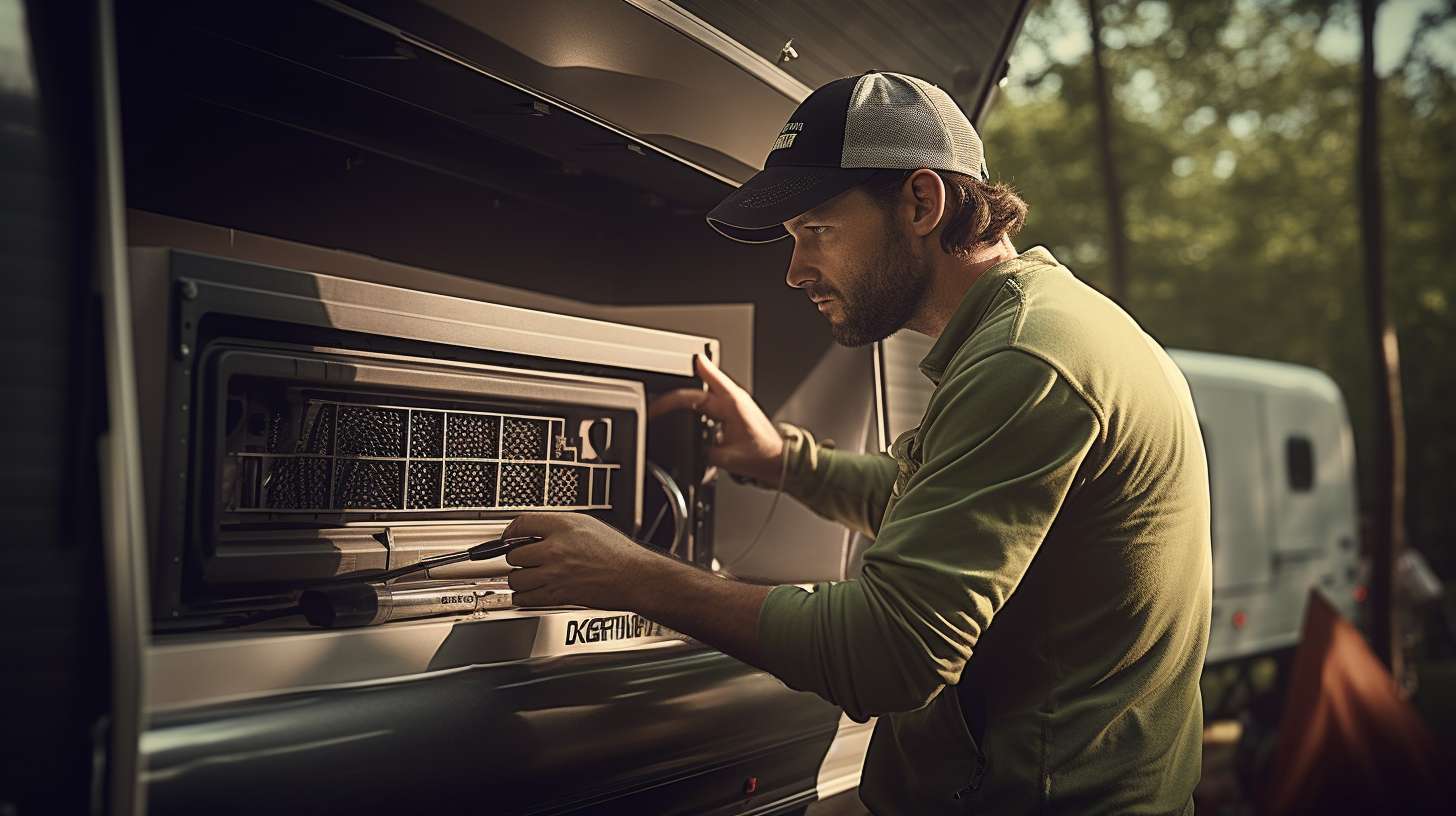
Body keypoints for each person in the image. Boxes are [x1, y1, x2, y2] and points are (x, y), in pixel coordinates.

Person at [503, 71, 1212, 814]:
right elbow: (940, 509)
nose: (794, 271)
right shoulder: (1043, 328)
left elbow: (892, 655)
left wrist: (632, 577)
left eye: (816, 232)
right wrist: (780, 459)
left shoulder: (1025, 359)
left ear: (921, 202)